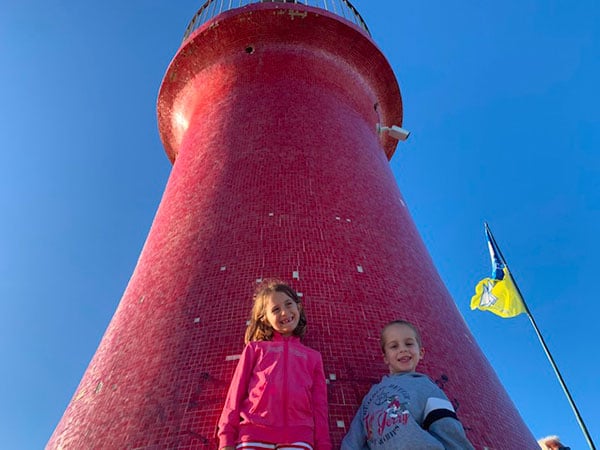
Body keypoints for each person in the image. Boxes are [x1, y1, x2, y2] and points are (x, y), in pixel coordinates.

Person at [217, 279, 331, 450]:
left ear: (298, 307)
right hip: (253, 433)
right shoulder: (255, 349)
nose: (285, 313)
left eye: (288, 304)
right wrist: (226, 439)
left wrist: (323, 445)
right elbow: (235, 394)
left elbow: (319, 406)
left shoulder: (313, 357)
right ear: (264, 318)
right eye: (276, 309)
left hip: (299, 437)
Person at [341, 320, 474, 450]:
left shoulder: (426, 387)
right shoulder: (371, 395)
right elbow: (355, 437)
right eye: (394, 346)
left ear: (421, 352)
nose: (403, 349)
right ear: (385, 358)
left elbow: (449, 431)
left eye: (409, 344)